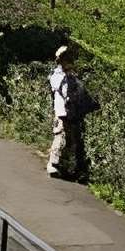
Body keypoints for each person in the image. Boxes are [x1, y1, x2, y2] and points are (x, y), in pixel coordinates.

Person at [46, 44, 93, 181]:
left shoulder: (73, 76)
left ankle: (66, 166)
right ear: (60, 60)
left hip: (73, 112)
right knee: (60, 136)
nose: (69, 61)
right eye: (66, 58)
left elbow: (80, 91)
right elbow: (62, 89)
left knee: (72, 140)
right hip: (62, 112)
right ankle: (53, 163)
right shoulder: (57, 75)